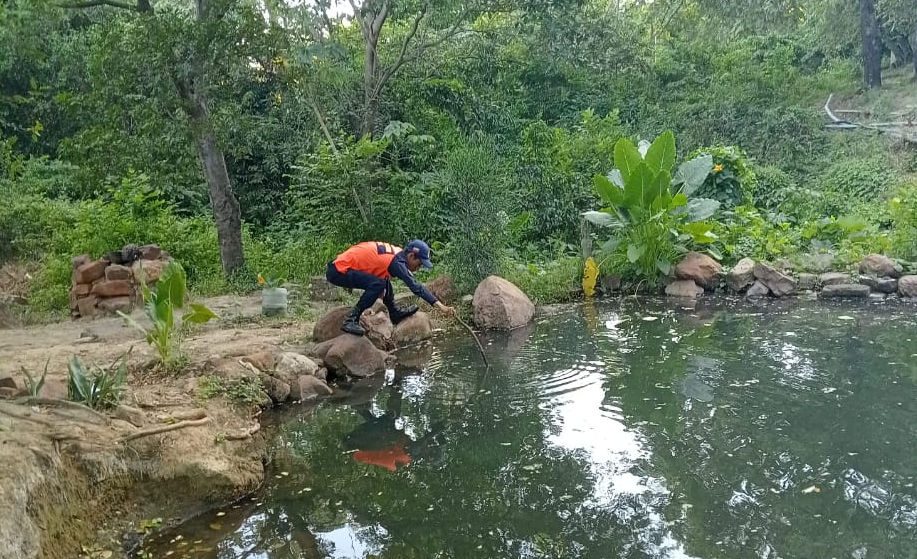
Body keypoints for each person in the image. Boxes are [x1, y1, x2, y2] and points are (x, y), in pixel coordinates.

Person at [326, 239, 455, 336]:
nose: (418, 268)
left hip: (340, 268)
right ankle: (351, 319)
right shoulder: (397, 262)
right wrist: (441, 306)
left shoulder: (398, 255)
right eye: (419, 263)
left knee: (383, 281)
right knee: (379, 283)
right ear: (411, 256)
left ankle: (395, 313)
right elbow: (416, 287)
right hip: (338, 271)